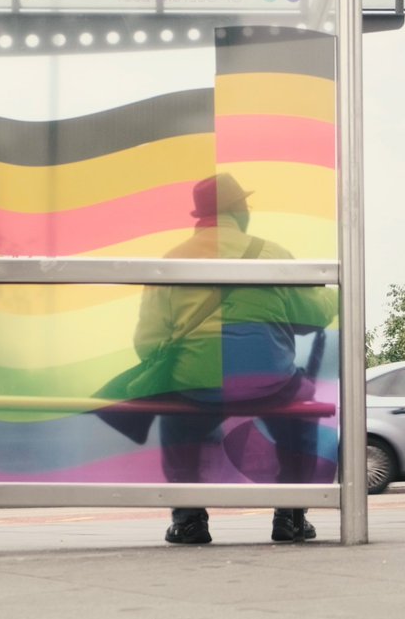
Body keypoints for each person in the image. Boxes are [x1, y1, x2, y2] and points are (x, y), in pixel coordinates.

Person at [133, 173, 338, 544]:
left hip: (196, 385)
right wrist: (332, 293)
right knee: (300, 414)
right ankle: (290, 514)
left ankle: (188, 518)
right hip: (268, 382)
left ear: (200, 215)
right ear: (237, 210)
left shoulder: (172, 259)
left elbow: (146, 343)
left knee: (176, 421)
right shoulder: (271, 253)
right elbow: (317, 314)